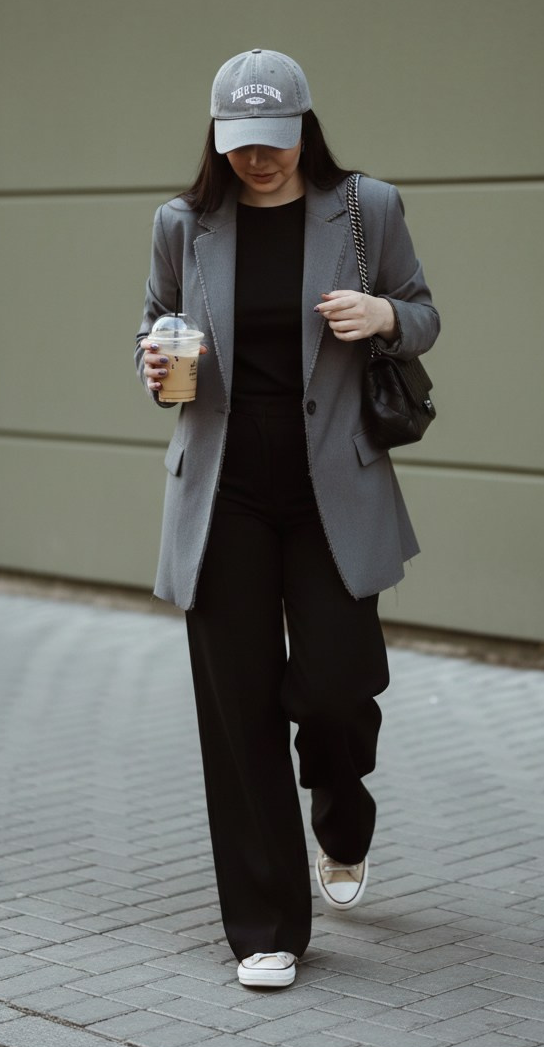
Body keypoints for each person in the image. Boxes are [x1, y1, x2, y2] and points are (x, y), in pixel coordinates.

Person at [135, 49, 439, 989]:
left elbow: (425, 313)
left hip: (330, 488)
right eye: (239, 144)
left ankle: (341, 812)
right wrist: (152, 363)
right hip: (222, 488)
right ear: (217, 136)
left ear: (304, 128)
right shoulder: (184, 223)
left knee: (337, 688)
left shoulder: (365, 208)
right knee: (239, 711)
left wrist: (383, 315)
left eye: (272, 142)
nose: (257, 160)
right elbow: (155, 323)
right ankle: (266, 927)